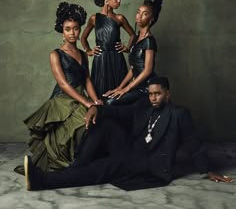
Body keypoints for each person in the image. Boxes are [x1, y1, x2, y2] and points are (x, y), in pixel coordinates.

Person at [23, 76, 233, 191]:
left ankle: (44, 181)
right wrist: (97, 108)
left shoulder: (179, 114)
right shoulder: (144, 106)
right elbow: (118, 111)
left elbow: (192, 143)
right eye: (151, 94)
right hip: (131, 149)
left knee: (101, 168)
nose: (153, 98)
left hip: (147, 162)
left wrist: (208, 170)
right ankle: (78, 165)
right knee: (103, 124)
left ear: (168, 95)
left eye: (158, 94)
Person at [14, 2, 102, 174]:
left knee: (92, 123)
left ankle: (77, 162)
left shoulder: (83, 54)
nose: (72, 33)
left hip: (80, 95)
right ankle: (60, 164)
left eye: (75, 29)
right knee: (74, 126)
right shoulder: (56, 54)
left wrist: (96, 100)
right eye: (68, 29)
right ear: (62, 31)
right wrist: (87, 102)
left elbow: (87, 80)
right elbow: (63, 84)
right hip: (63, 98)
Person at [103, 0, 164, 105]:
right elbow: (133, 68)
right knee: (107, 99)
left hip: (146, 87)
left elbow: (147, 70)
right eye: (138, 12)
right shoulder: (136, 38)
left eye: (145, 14)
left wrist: (127, 88)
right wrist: (120, 87)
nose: (139, 16)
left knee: (110, 102)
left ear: (151, 19)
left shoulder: (149, 41)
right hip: (135, 84)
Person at [81, 0, 135, 98]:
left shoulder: (119, 18)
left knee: (118, 96)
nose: (119, 1)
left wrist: (127, 48)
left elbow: (133, 35)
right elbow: (83, 38)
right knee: (100, 95)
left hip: (117, 60)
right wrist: (88, 51)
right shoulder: (94, 18)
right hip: (100, 61)